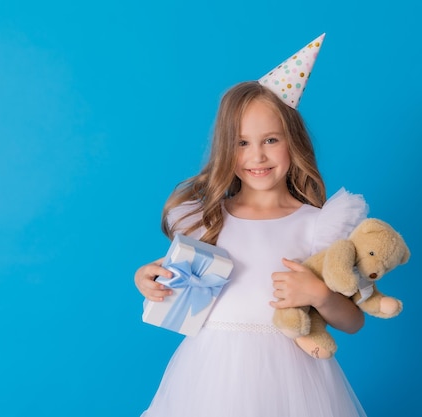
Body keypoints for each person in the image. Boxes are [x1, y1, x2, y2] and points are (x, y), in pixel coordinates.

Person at [135, 34, 369, 417]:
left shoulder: (317, 226)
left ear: (293, 143)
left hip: (297, 381)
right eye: (242, 143)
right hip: (212, 376)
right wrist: (148, 278)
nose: (257, 155)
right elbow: (175, 283)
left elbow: (354, 321)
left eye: (271, 140)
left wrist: (319, 295)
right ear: (225, 148)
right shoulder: (206, 219)